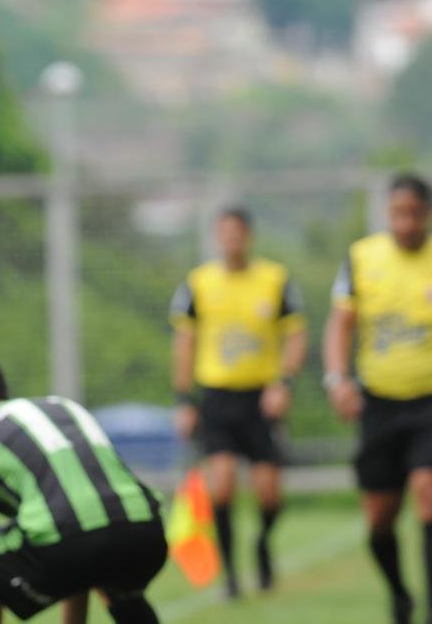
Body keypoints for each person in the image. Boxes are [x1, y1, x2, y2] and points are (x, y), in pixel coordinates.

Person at [0, 352, 167, 624]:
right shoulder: (60, 408)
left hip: (69, 540)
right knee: (115, 585)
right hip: (147, 531)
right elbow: (80, 525)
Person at [168, 206, 308, 598]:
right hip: (217, 398)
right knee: (223, 486)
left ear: (248, 235)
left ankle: (262, 544)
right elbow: (184, 344)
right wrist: (183, 399)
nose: (231, 239)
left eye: (238, 232)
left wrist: (284, 384)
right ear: (217, 236)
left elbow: (296, 335)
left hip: (261, 399)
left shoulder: (274, 279)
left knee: (269, 493)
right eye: (224, 232)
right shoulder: (198, 284)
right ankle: (230, 575)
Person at [324, 172, 432, 624]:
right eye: (398, 213)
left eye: (414, 213)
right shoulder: (362, 258)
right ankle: (398, 591)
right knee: (379, 519)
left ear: (427, 214)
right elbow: (340, 325)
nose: (406, 223)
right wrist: (338, 380)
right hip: (380, 404)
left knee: (431, 494)